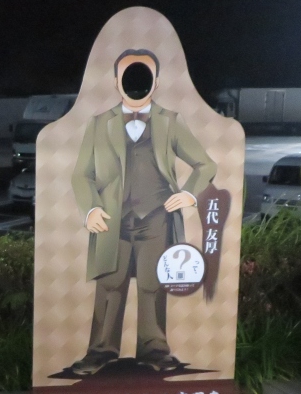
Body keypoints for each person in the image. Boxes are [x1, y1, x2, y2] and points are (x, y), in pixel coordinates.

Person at [69, 49, 216, 374]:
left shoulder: (170, 121)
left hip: (156, 218)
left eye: (144, 74)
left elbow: (205, 164)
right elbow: (81, 174)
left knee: (153, 284)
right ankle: (100, 351)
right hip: (112, 220)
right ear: (116, 81)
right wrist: (91, 208)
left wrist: (188, 194)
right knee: (110, 284)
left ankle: (155, 350)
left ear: (157, 82)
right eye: (128, 74)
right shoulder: (100, 123)